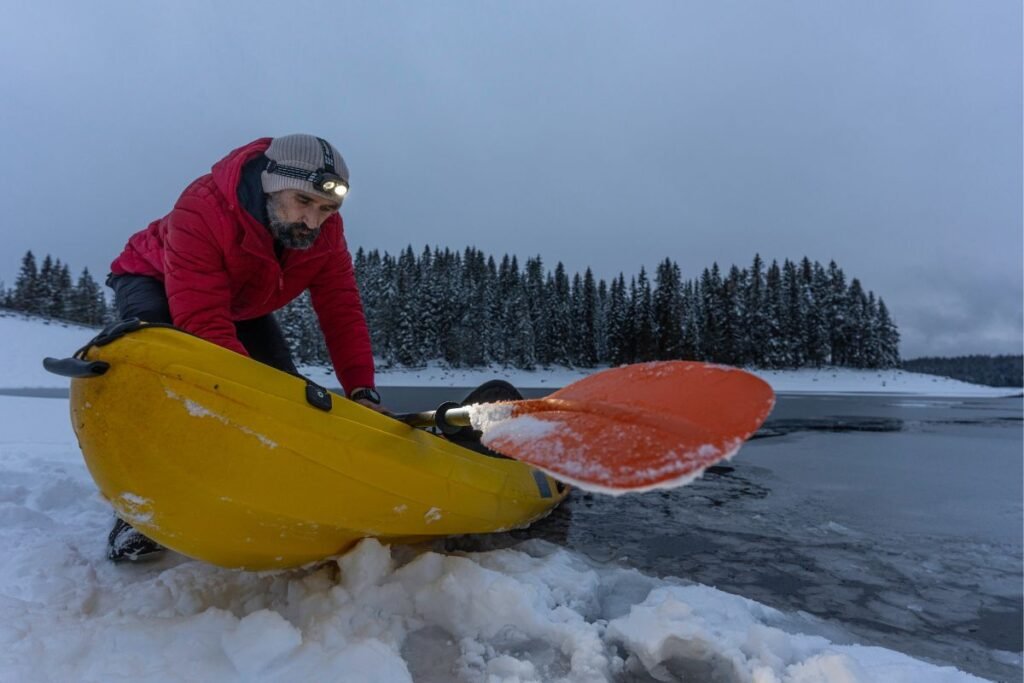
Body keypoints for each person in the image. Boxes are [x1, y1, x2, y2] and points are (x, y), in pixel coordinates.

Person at [105, 134, 386, 562]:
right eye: (303, 201)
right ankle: (139, 513)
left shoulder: (327, 234)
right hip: (154, 279)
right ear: (273, 184)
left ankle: (280, 487)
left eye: (327, 209)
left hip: (241, 299)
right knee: (165, 376)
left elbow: (341, 310)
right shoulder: (202, 208)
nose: (313, 222)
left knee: (286, 392)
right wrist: (243, 403)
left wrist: (362, 391)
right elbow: (202, 321)